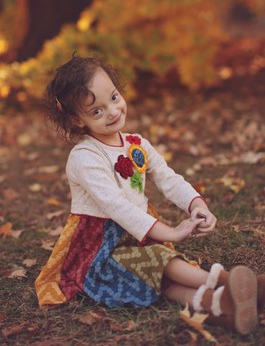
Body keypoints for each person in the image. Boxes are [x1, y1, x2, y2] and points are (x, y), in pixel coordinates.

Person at [35, 55, 264, 335]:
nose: (112, 111)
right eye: (96, 111)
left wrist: (197, 204)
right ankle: (229, 284)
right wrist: (170, 233)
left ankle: (224, 308)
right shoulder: (84, 157)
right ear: (76, 119)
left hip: (136, 238)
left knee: (164, 279)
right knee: (160, 261)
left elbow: (168, 179)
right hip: (99, 252)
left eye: (114, 97)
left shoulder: (136, 144)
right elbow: (116, 206)